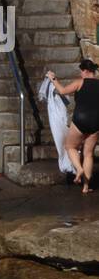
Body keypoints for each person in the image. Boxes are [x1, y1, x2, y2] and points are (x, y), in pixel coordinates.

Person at [46, 60, 99, 193]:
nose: (81, 74)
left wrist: (53, 79)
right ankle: (86, 187)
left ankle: (79, 169)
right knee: (88, 154)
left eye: (81, 71)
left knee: (70, 147)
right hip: (96, 122)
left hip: (80, 120)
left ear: (86, 71)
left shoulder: (80, 82)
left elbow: (63, 91)